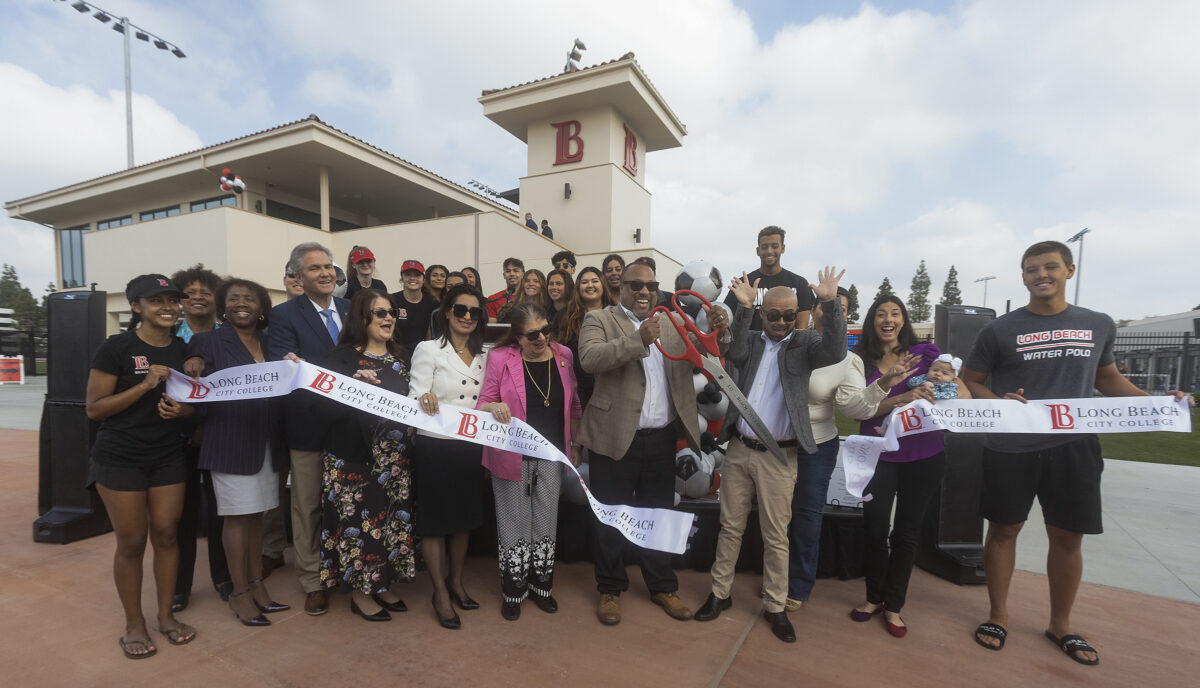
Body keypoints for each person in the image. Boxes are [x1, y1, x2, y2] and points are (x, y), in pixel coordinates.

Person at [963, 240, 1194, 665]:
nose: (1041, 275)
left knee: (1068, 538)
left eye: (1050, 267)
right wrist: (999, 404)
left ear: (1069, 270)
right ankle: (997, 616)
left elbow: (1108, 379)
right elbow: (971, 380)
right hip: (1011, 446)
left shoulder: (1098, 323)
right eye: (1032, 269)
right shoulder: (999, 329)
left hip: (1074, 446)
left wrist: (1160, 404)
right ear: (1023, 277)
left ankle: (1061, 625)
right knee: (1003, 531)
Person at [693, 268, 846, 644]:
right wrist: (743, 307)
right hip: (739, 451)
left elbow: (835, 350)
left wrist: (830, 303)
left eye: (789, 315)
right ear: (763, 313)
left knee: (776, 536)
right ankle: (720, 593)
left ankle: (775, 605)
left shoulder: (806, 343)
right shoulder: (750, 340)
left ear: (797, 314)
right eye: (774, 314)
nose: (781, 322)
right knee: (730, 527)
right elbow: (732, 350)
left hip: (780, 457)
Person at [578, 261, 730, 626]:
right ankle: (610, 588)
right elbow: (590, 359)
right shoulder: (599, 319)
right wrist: (638, 340)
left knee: (657, 517)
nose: (644, 291)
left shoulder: (673, 322)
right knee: (611, 517)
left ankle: (662, 586)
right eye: (636, 285)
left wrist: (720, 329)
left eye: (651, 285)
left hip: (660, 439)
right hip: (613, 437)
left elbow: (706, 349)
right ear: (621, 287)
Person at [85, 274, 197, 659]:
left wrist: (184, 411)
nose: (168, 307)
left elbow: (193, 403)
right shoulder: (116, 348)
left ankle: (166, 617)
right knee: (132, 541)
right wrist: (144, 385)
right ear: (136, 307)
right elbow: (94, 409)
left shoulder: (183, 349)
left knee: (166, 534)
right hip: (120, 457)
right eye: (156, 300)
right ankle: (134, 624)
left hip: (167, 455)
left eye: (172, 300)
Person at [788, 287, 910, 612]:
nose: (832, 314)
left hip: (816, 445)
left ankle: (797, 586)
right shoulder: (792, 343)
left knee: (806, 515)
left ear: (846, 316)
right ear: (814, 310)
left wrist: (881, 386)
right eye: (826, 307)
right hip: (778, 441)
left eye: (840, 309)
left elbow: (854, 408)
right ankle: (774, 574)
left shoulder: (847, 359)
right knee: (774, 512)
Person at [183, 278, 289, 627]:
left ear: (261, 308)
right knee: (237, 517)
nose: (242, 303)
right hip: (230, 441)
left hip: (267, 443)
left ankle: (257, 584)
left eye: (250, 299)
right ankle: (239, 592)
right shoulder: (206, 342)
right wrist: (193, 364)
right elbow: (192, 377)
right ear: (223, 307)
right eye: (234, 299)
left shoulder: (271, 342)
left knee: (257, 517)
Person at [477, 302, 583, 620]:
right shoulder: (500, 358)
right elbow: (483, 402)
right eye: (532, 334)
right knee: (513, 522)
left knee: (546, 520)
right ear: (518, 337)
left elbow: (574, 405)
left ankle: (541, 588)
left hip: (552, 453)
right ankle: (513, 592)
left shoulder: (564, 355)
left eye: (545, 330)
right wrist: (494, 407)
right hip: (511, 453)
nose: (541, 339)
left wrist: (575, 445)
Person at [316, 289, 416, 622]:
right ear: (362, 318)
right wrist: (351, 388)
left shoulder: (402, 358)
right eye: (380, 313)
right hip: (354, 459)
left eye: (391, 313)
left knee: (390, 524)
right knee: (359, 526)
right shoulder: (341, 358)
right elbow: (321, 410)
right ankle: (361, 594)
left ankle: (382, 584)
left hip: (395, 462)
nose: (389, 318)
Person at [849, 295, 941, 638]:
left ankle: (894, 605)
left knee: (907, 533)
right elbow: (860, 411)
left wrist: (950, 393)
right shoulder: (859, 362)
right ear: (872, 321)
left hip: (924, 453)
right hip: (877, 454)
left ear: (904, 320)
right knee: (874, 529)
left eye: (895, 313)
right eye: (881, 314)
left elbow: (953, 390)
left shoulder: (926, 355)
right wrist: (900, 398)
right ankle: (873, 598)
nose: (888, 319)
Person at [267, 241, 349, 616]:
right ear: (298, 277)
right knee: (308, 506)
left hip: (352, 429)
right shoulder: (283, 315)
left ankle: (347, 569)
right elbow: (286, 369)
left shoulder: (351, 310)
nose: (325, 273)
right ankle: (313, 580)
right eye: (315, 268)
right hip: (308, 426)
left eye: (328, 266)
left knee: (347, 504)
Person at [410, 284, 490, 629]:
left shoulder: (485, 356)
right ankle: (439, 591)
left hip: (469, 446)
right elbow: (415, 393)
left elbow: (486, 399)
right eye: (461, 309)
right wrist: (423, 398)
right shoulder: (429, 349)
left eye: (475, 311)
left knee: (463, 518)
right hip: (435, 445)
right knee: (436, 521)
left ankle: (456, 582)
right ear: (447, 312)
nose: (467, 316)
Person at [168, 264, 231, 612]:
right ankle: (180, 586)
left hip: (220, 433)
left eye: (205, 292)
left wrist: (206, 423)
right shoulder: (170, 338)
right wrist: (191, 423)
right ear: (180, 299)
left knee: (221, 510)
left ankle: (223, 577)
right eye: (189, 292)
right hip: (178, 438)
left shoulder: (229, 337)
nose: (198, 297)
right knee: (183, 514)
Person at [722, 226, 816, 332]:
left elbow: (802, 329)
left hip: (789, 343)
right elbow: (727, 322)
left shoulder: (799, 284)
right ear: (758, 251)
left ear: (783, 248)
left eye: (775, 246)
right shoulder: (743, 285)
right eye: (764, 247)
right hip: (747, 342)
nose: (769, 251)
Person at [557, 266, 609, 408]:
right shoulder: (565, 316)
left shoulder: (615, 314)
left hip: (608, 384)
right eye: (584, 282)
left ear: (603, 285)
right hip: (575, 386)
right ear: (578, 287)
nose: (590, 285)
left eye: (595, 281)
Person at [390, 260, 437, 363]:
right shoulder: (391, 300)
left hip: (424, 355)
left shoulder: (432, 303)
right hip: (396, 354)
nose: (412, 278)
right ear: (402, 278)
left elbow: (432, 335)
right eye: (408, 275)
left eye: (417, 275)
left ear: (423, 279)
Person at [907, 354, 972, 400]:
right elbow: (911, 382)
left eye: (944, 373)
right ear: (929, 369)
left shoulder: (950, 385)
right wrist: (922, 383)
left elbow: (951, 395)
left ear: (953, 379)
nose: (938, 374)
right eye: (935, 370)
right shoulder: (924, 377)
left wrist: (934, 394)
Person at [427, 271, 468, 340]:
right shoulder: (437, 313)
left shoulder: (476, 311)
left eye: (459, 286)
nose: (454, 290)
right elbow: (433, 340)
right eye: (449, 286)